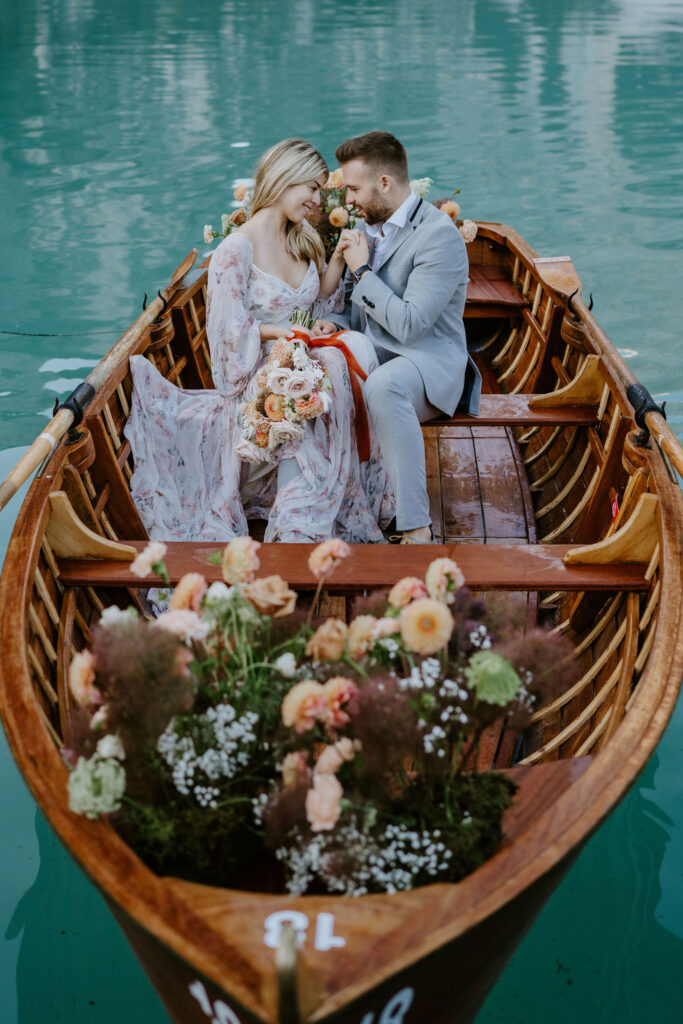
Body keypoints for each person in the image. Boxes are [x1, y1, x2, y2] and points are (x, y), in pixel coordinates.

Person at [124, 138, 394, 544]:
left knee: (335, 366)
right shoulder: (236, 249)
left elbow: (316, 302)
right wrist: (275, 334)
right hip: (253, 370)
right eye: (313, 188)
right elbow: (228, 334)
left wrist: (335, 262)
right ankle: (298, 517)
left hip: (296, 357)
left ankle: (305, 505)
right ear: (287, 179)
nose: (318, 200)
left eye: (321, 190)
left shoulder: (301, 238)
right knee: (313, 380)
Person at [313, 131, 481, 544]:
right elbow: (357, 309)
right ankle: (334, 506)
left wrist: (363, 272)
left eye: (353, 189)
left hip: (428, 363)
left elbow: (409, 325)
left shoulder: (438, 236)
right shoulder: (371, 227)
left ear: (384, 183)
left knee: (385, 387)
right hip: (374, 354)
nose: (348, 200)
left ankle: (415, 527)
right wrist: (335, 322)